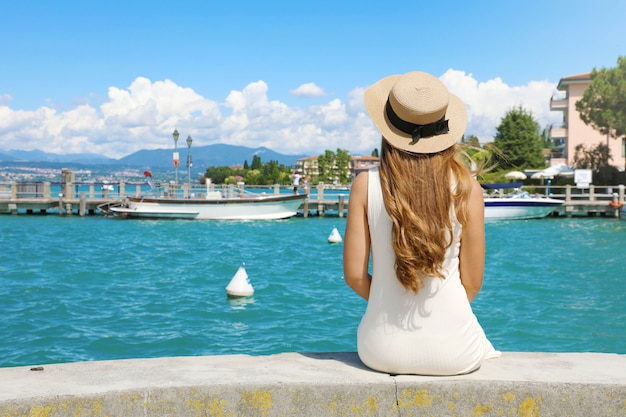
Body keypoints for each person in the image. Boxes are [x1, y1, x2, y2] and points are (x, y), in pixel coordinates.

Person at [343, 71, 500, 376]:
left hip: (379, 351)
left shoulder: (365, 185)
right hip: (455, 352)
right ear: (444, 131)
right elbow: (473, 282)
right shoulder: (468, 188)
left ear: (388, 129)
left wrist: (391, 301)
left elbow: (354, 276)